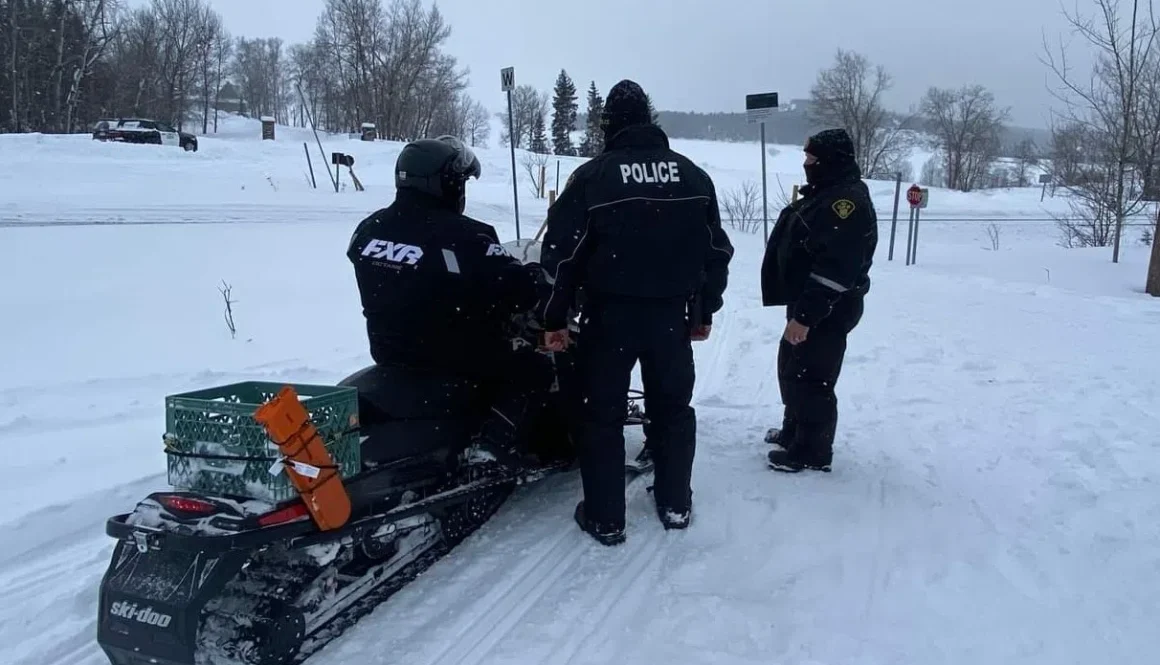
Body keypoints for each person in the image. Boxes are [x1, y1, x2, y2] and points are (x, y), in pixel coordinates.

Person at [537, 79, 734, 546]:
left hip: (610, 319)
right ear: (649, 119)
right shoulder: (692, 176)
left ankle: (605, 517)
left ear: (610, 125)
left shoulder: (594, 177)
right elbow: (715, 252)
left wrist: (553, 319)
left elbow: (561, 256)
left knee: (601, 416)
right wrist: (703, 308)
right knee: (673, 410)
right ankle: (675, 503)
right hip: (670, 319)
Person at [346, 134, 548, 469]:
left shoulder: (369, 229)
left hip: (392, 351)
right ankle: (491, 451)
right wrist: (535, 277)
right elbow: (515, 289)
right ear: (446, 184)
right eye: (461, 182)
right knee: (535, 368)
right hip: (455, 358)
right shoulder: (466, 236)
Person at [760, 128, 877, 473]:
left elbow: (836, 269)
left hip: (827, 306)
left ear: (830, 161)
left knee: (813, 376)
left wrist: (807, 316)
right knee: (793, 367)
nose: (806, 163)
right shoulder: (827, 192)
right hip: (807, 301)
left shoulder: (846, 204)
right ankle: (794, 431)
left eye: (812, 158)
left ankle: (811, 450)